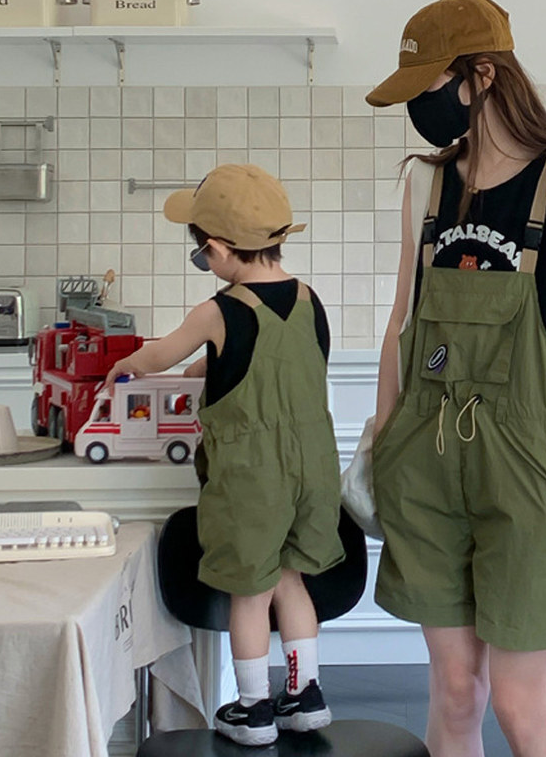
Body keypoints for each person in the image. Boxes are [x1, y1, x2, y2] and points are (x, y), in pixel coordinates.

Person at [366, 0, 546, 757]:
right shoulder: (426, 183)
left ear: (481, 74)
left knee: (519, 705)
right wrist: (385, 441)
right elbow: (402, 324)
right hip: (427, 463)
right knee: (455, 692)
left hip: (529, 468)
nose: (419, 107)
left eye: (429, 87)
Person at [103, 164, 344, 747]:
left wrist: (127, 365)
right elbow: (277, 365)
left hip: (253, 476)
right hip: (315, 469)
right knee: (292, 580)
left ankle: (253, 707)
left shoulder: (221, 310)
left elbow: (160, 355)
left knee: (250, 592)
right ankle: (305, 695)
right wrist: (210, 365)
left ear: (216, 249)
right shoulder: (309, 300)